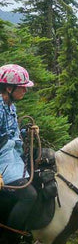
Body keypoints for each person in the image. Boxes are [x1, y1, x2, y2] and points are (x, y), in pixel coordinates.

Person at [0, 64, 37, 234]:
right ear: (9, 87)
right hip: (3, 159)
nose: (25, 91)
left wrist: (27, 131)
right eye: (22, 87)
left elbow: (11, 133)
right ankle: (10, 237)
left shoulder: (10, 106)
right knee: (29, 195)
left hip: (12, 155)